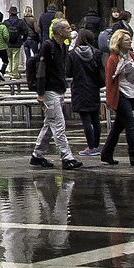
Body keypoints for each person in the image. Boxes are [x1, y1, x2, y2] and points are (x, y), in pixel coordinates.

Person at [26, 19, 80, 169]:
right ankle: (67, 157)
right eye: (67, 28)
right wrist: (40, 93)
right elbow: (41, 69)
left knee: (50, 124)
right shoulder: (47, 46)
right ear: (59, 32)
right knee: (58, 124)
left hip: (59, 88)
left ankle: (38, 154)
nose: (70, 30)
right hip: (49, 90)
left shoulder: (63, 47)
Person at [99, 29, 134, 167]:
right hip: (120, 95)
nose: (129, 41)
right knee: (131, 125)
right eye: (126, 39)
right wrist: (111, 100)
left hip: (131, 93)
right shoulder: (113, 58)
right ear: (119, 42)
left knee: (118, 127)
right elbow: (109, 80)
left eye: (130, 39)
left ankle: (106, 153)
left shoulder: (131, 55)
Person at [66, 23, 104, 158]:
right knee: (95, 119)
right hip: (93, 88)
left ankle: (91, 145)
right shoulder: (96, 53)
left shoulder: (72, 54)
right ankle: (96, 145)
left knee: (86, 120)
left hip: (80, 88)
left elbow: (68, 73)